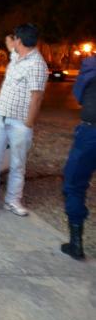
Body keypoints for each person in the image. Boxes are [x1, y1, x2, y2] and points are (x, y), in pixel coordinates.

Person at [0, 23, 48, 218]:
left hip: (19, 123)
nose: (13, 41)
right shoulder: (16, 55)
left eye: (15, 38)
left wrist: (28, 125)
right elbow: (9, 43)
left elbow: (37, 98)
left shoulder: (37, 65)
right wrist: (10, 40)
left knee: (18, 164)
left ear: (21, 40)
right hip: (0, 118)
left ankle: (12, 201)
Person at [61, 55, 96, 260]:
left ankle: (76, 244)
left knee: (74, 184)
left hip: (90, 135)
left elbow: (80, 95)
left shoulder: (91, 65)